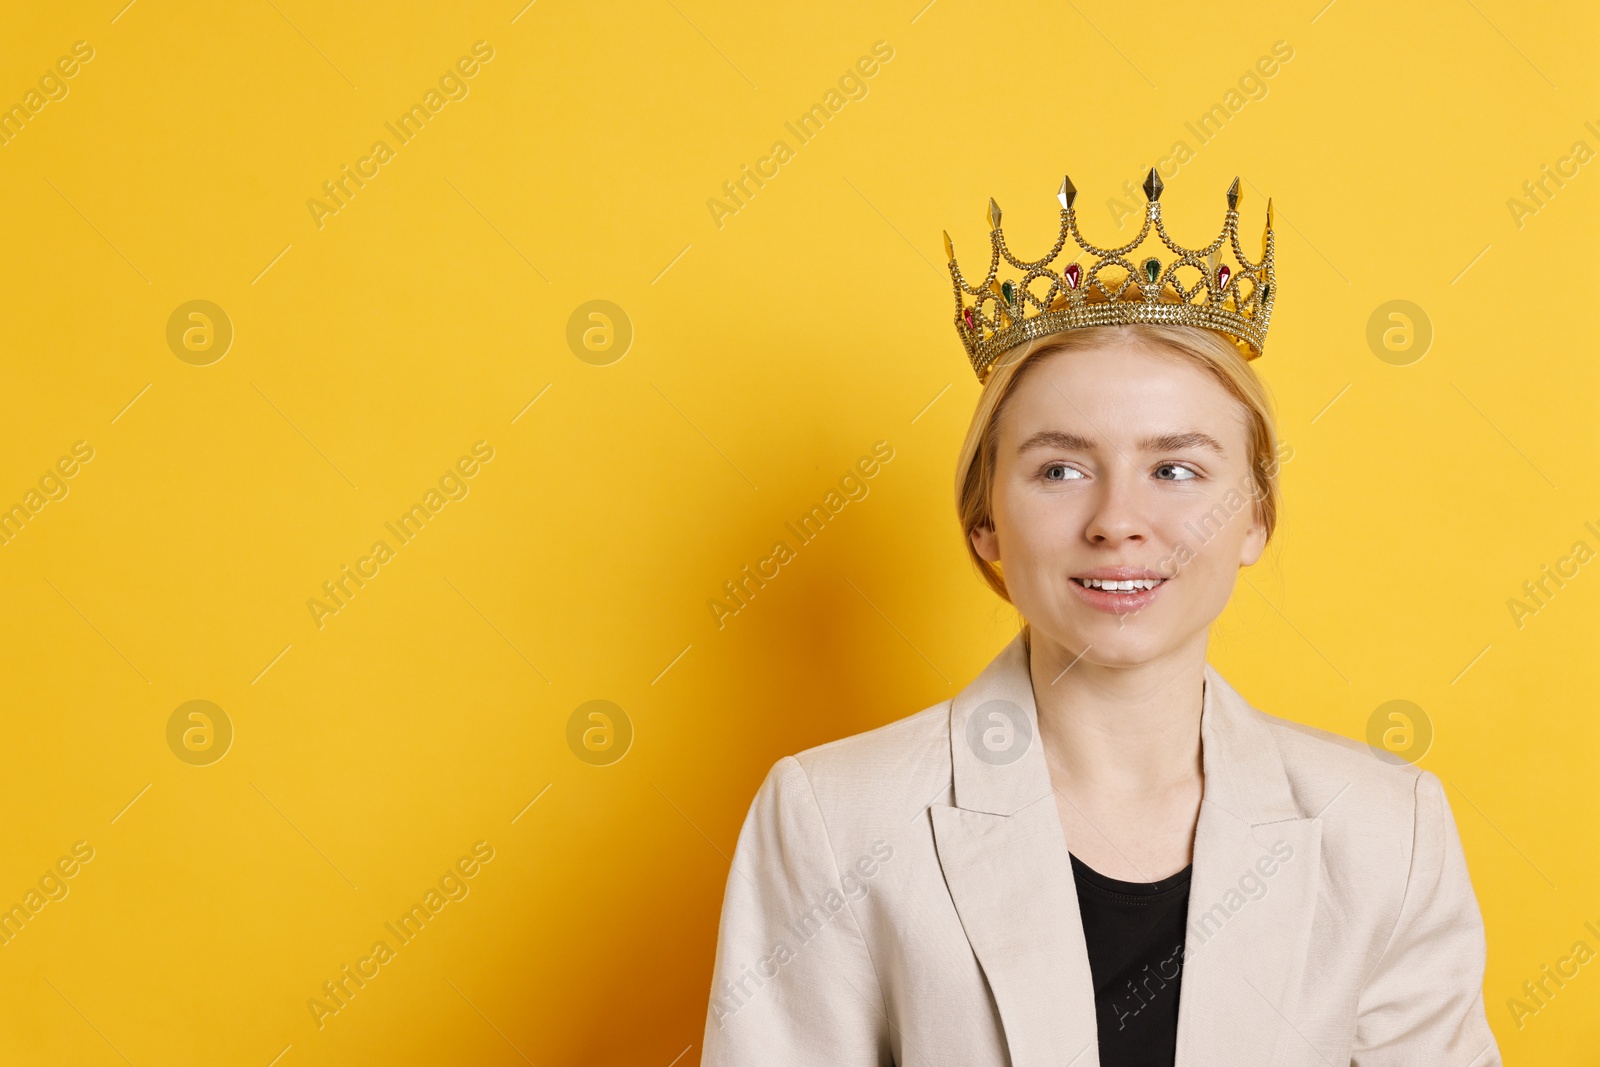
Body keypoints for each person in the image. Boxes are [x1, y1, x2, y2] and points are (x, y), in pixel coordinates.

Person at [698, 170, 1501, 1066]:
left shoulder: (1389, 829)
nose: (1118, 519)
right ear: (985, 521)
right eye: (1060, 469)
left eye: (1176, 469)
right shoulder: (832, 817)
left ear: (1256, 518)